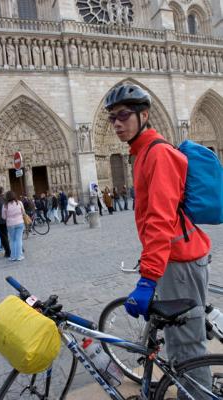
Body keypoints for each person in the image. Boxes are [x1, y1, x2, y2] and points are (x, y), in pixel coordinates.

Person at [104, 83, 212, 396]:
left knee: (187, 349)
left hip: (179, 261)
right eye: (112, 118)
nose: (117, 123)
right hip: (175, 259)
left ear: (144, 114)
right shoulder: (143, 154)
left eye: (123, 115)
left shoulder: (158, 154)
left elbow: (160, 221)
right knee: (182, 343)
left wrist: (149, 278)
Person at [2, 191, 25, 262]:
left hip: (10, 224)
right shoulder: (19, 203)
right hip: (20, 222)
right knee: (19, 239)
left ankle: (13, 256)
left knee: (12, 240)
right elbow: (23, 212)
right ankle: (19, 256)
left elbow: (3, 217)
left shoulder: (5, 205)